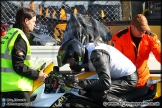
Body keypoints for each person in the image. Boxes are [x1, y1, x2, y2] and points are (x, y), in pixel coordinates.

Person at [57, 38, 138, 106]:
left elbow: (105, 83)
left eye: (70, 62)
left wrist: (79, 82)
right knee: (84, 91)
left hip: (128, 79)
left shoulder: (96, 55)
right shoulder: (86, 53)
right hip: (117, 77)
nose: (70, 66)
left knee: (97, 93)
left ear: (78, 56)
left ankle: (126, 106)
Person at [1, 8, 48, 107]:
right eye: (33, 21)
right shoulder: (20, 37)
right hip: (16, 89)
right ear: (26, 21)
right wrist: (37, 75)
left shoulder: (8, 35)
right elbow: (18, 65)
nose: (35, 24)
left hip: (6, 87)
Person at [111, 14, 161, 87]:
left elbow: (159, 54)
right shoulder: (119, 38)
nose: (143, 33)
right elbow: (114, 61)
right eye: (141, 30)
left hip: (144, 80)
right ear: (132, 27)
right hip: (126, 81)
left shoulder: (151, 37)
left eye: (145, 30)